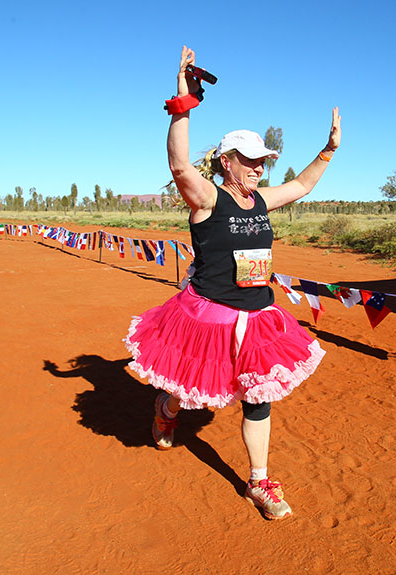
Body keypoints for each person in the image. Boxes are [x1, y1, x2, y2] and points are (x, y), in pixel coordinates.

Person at [124, 46, 341, 520]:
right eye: (250, 159)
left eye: (263, 159)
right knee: (187, 388)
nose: (260, 167)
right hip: (208, 315)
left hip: (260, 317)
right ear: (227, 162)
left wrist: (327, 151)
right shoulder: (206, 199)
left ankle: (258, 481)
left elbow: (302, 186)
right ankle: (167, 408)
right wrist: (183, 103)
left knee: (258, 398)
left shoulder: (261, 200)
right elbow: (180, 165)